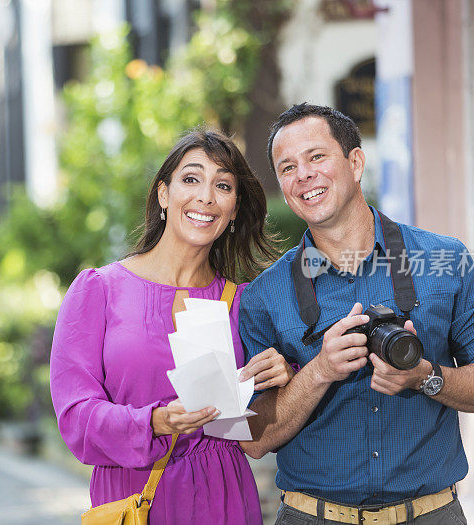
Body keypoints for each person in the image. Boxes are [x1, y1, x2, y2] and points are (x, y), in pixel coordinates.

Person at [237, 103, 474, 525]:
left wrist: (424, 377)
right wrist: (320, 370)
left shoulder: (445, 260)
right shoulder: (264, 295)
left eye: (316, 157)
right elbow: (254, 440)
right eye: (287, 167)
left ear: (355, 162)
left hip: (431, 514)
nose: (303, 176)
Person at [50, 128, 295, 524]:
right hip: (134, 498)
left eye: (223, 186)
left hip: (225, 501)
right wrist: (154, 422)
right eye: (191, 179)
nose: (206, 197)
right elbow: (75, 416)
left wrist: (282, 375)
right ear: (164, 195)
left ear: (233, 210)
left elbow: (260, 424)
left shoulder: (246, 302)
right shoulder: (100, 290)